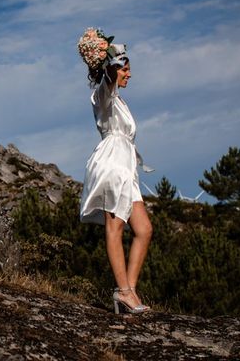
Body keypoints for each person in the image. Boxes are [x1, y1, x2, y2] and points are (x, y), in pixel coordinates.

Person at [77, 28, 153, 315]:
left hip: (127, 167)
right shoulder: (102, 94)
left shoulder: (119, 100)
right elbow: (109, 76)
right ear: (114, 69)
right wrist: (109, 54)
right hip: (110, 165)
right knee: (115, 226)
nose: (129, 74)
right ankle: (123, 291)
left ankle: (129, 290)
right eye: (126, 69)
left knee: (144, 229)